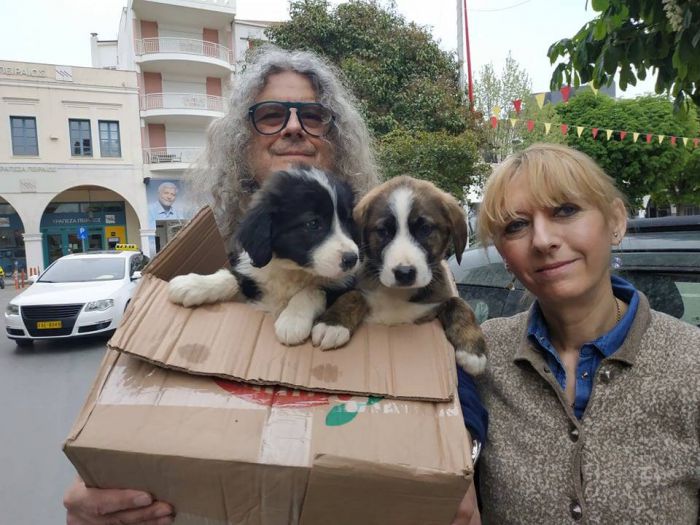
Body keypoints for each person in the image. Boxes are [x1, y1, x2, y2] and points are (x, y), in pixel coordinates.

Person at [64, 45, 488, 525]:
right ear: (241, 144)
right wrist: (95, 492)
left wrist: (463, 460)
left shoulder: (380, 245)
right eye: (270, 115)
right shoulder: (204, 253)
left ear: (339, 141)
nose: (292, 127)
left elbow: (448, 371)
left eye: (313, 116)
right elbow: (125, 398)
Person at [455, 143, 698, 524]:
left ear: (616, 220)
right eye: (516, 226)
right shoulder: (481, 354)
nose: (542, 240)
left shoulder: (691, 364)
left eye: (565, 210)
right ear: (504, 254)